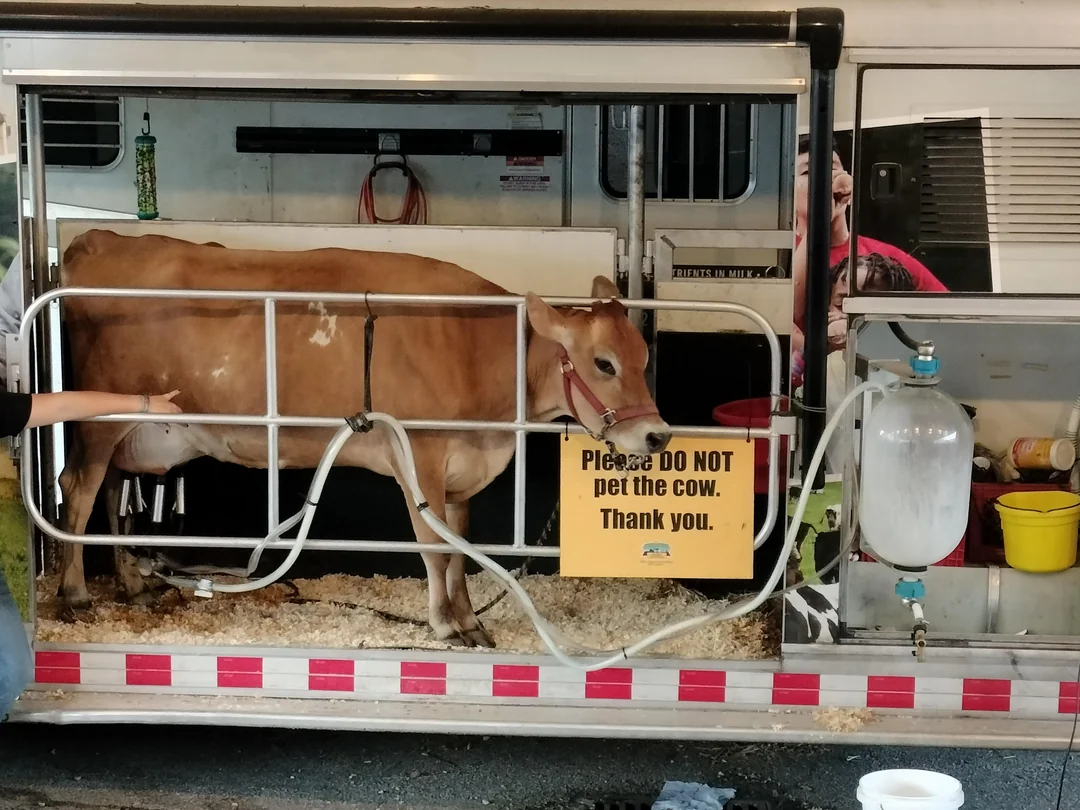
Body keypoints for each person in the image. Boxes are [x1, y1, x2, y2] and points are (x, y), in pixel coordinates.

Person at [789, 135, 948, 388]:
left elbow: (948, 317)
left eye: (831, 167)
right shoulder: (781, 257)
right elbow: (787, 320)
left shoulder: (886, 259)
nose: (824, 178)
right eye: (808, 171)